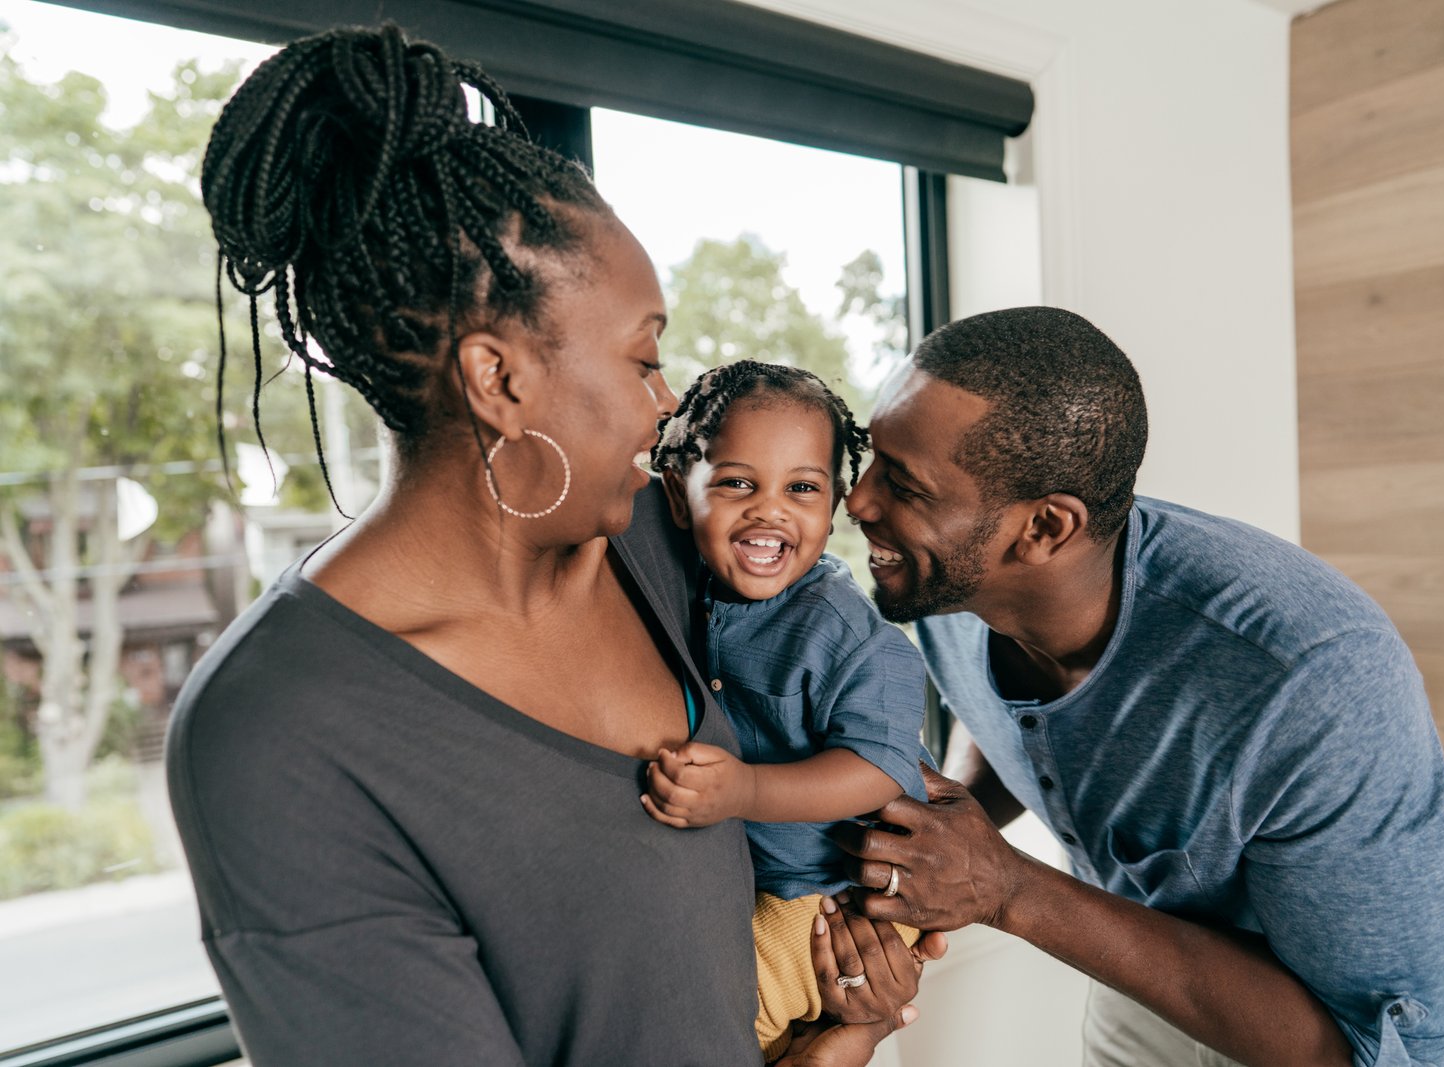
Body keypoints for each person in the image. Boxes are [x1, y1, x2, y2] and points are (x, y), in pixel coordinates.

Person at [167, 25, 927, 1067]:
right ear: (499, 380)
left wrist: (860, 1001)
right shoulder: (280, 736)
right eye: (645, 357)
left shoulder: (655, 545)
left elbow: (863, 753)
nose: (664, 405)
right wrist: (839, 1049)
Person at [832, 306, 1444, 1066]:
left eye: (904, 485)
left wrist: (1003, 886)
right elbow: (1014, 712)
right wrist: (942, 820)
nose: (859, 501)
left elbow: (1368, 1048)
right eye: (873, 460)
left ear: (1045, 529)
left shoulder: (1313, 678)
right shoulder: (957, 585)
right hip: (1145, 962)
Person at [644, 361, 929, 1060]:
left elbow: (876, 768)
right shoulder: (693, 590)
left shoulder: (842, 631)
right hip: (767, 880)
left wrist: (744, 790)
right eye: (738, 482)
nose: (770, 509)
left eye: (802, 488)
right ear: (681, 501)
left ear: (831, 510)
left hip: (833, 895)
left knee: (731, 1007)